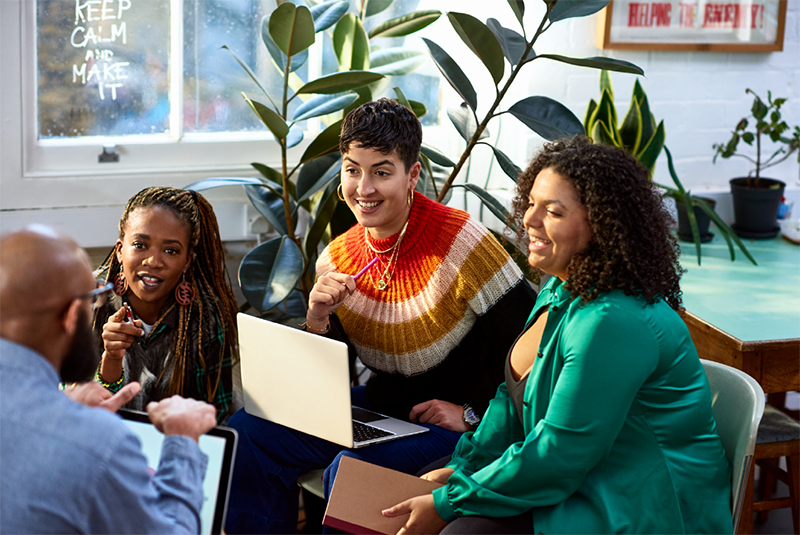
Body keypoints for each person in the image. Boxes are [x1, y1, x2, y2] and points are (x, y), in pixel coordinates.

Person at [383, 136, 734, 535]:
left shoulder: (613, 320)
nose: (528, 220)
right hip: (578, 477)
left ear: (603, 225)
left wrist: (455, 499)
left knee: (459, 531)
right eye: (531, 203)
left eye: (552, 211)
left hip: (637, 502)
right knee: (415, 487)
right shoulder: (559, 287)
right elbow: (509, 406)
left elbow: (560, 454)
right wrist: (465, 469)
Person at [224, 98, 536, 534]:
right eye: (353, 169)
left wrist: (473, 413)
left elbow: (534, 352)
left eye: (382, 172)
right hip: (384, 412)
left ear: (412, 174)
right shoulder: (336, 257)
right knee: (246, 433)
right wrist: (317, 319)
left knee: (353, 470)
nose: (364, 189)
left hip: (458, 423)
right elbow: (326, 380)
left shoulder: (464, 244)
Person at [0, 225, 218, 534]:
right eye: (93, 299)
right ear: (73, 314)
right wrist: (182, 441)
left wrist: (61, 406)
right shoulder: (101, 444)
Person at [93, 186, 240, 422]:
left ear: (186, 262)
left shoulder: (206, 318)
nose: (153, 261)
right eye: (140, 245)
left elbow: (215, 416)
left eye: (170, 250)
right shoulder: (88, 301)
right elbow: (70, 409)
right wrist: (111, 359)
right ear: (120, 250)